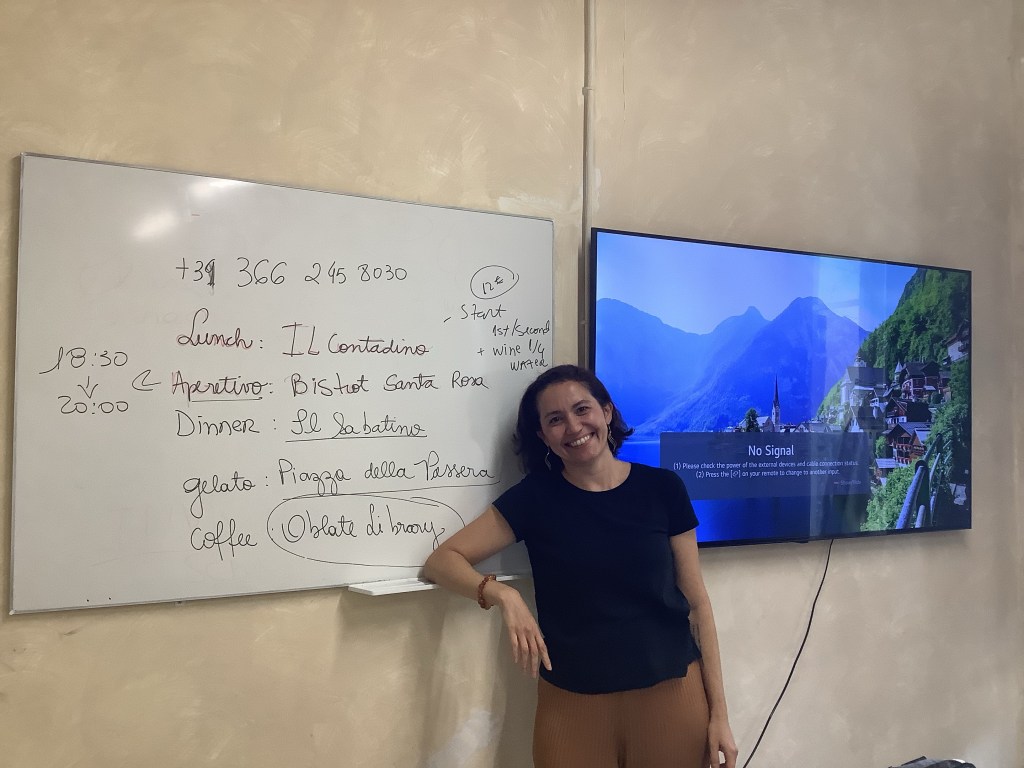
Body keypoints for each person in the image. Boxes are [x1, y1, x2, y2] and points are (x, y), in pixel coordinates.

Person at [423, 364, 738, 768]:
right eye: (555, 419)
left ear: (606, 411)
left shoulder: (663, 489)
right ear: (543, 436)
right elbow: (442, 561)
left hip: (672, 694)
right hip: (572, 702)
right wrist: (502, 594)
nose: (573, 427)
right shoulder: (534, 499)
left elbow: (697, 605)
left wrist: (720, 715)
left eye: (582, 409)